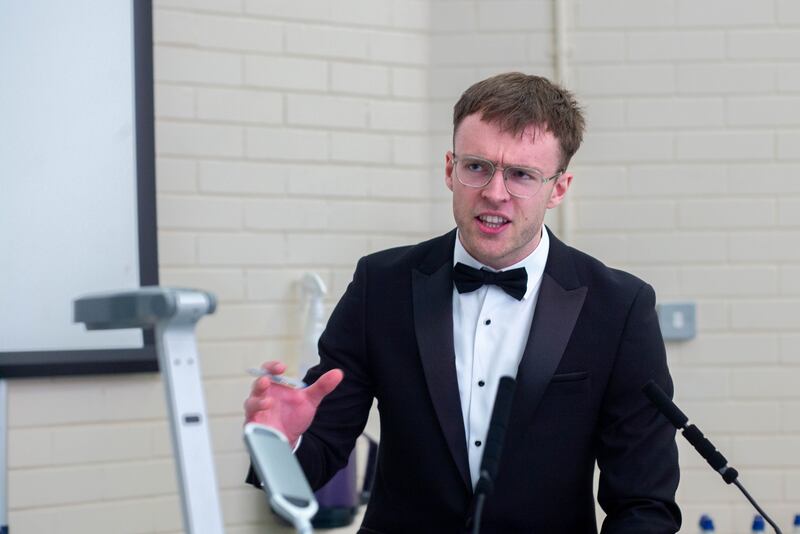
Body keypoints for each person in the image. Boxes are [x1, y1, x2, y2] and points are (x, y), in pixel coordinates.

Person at [244, 72, 681, 533]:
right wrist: (282, 442)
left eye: (521, 175)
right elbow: (315, 461)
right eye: (477, 167)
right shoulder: (380, 286)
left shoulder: (619, 307)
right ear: (450, 169)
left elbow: (644, 503)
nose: (495, 192)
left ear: (558, 188)